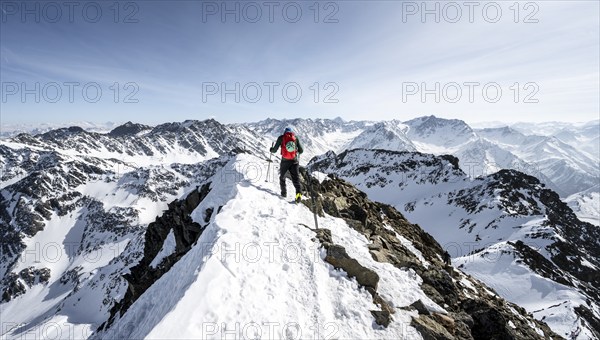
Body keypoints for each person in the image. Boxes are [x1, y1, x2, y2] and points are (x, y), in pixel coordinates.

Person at [270, 127, 304, 202]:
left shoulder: (281, 138)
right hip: (294, 161)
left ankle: (284, 193)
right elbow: (301, 150)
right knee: (296, 179)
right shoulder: (295, 138)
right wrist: (296, 151)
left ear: (284, 132)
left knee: (282, 177)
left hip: (285, 161)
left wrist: (271, 149)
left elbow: (274, 150)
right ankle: (298, 196)